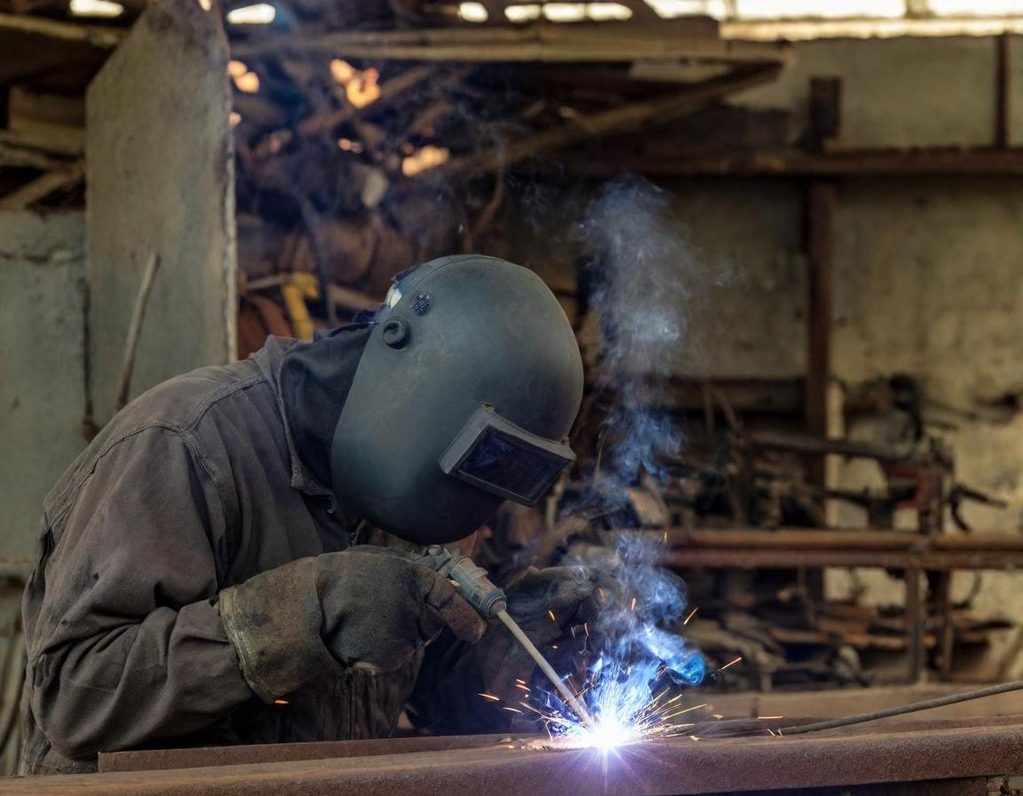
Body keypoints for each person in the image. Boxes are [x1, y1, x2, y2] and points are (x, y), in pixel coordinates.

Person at [20, 255, 602, 774]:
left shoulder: (422, 491)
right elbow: (73, 699)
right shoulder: (183, 445)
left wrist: (487, 656)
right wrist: (307, 615)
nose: (467, 509)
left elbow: (412, 691)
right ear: (409, 372)